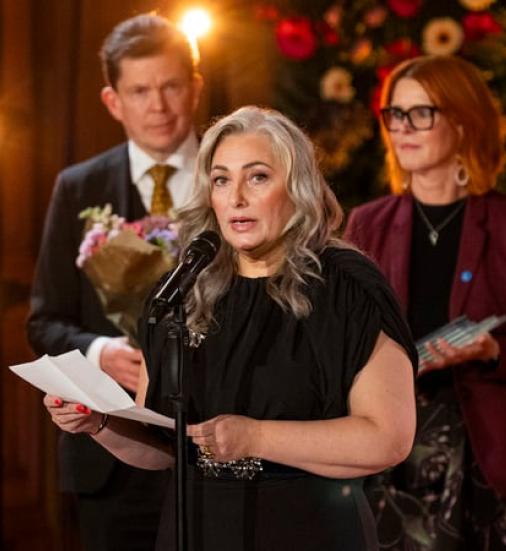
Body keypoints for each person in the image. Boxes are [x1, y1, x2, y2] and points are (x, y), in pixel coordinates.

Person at [43, 105, 417, 551]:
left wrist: (255, 437)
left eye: (257, 177)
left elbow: (388, 439)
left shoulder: (347, 287)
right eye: (221, 180)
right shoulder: (184, 289)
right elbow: (164, 448)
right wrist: (100, 422)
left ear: (296, 186)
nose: (236, 197)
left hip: (307, 528)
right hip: (196, 530)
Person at [344, 55, 506, 550]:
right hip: (390, 459)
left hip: (489, 466)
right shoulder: (367, 224)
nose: (402, 127)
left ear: (462, 122)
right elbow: (340, 345)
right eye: (395, 114)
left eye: (421, 113)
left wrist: (491, 351)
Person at [27, 13, 203, 551]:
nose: (158, 106)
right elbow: (44, 322)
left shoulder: (232, 177)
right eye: (140, 91)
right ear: (113, 101)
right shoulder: (78, 188)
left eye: (171, 86)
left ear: (195, 88)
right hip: (109, 453)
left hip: (215, 444)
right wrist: (101, 353)